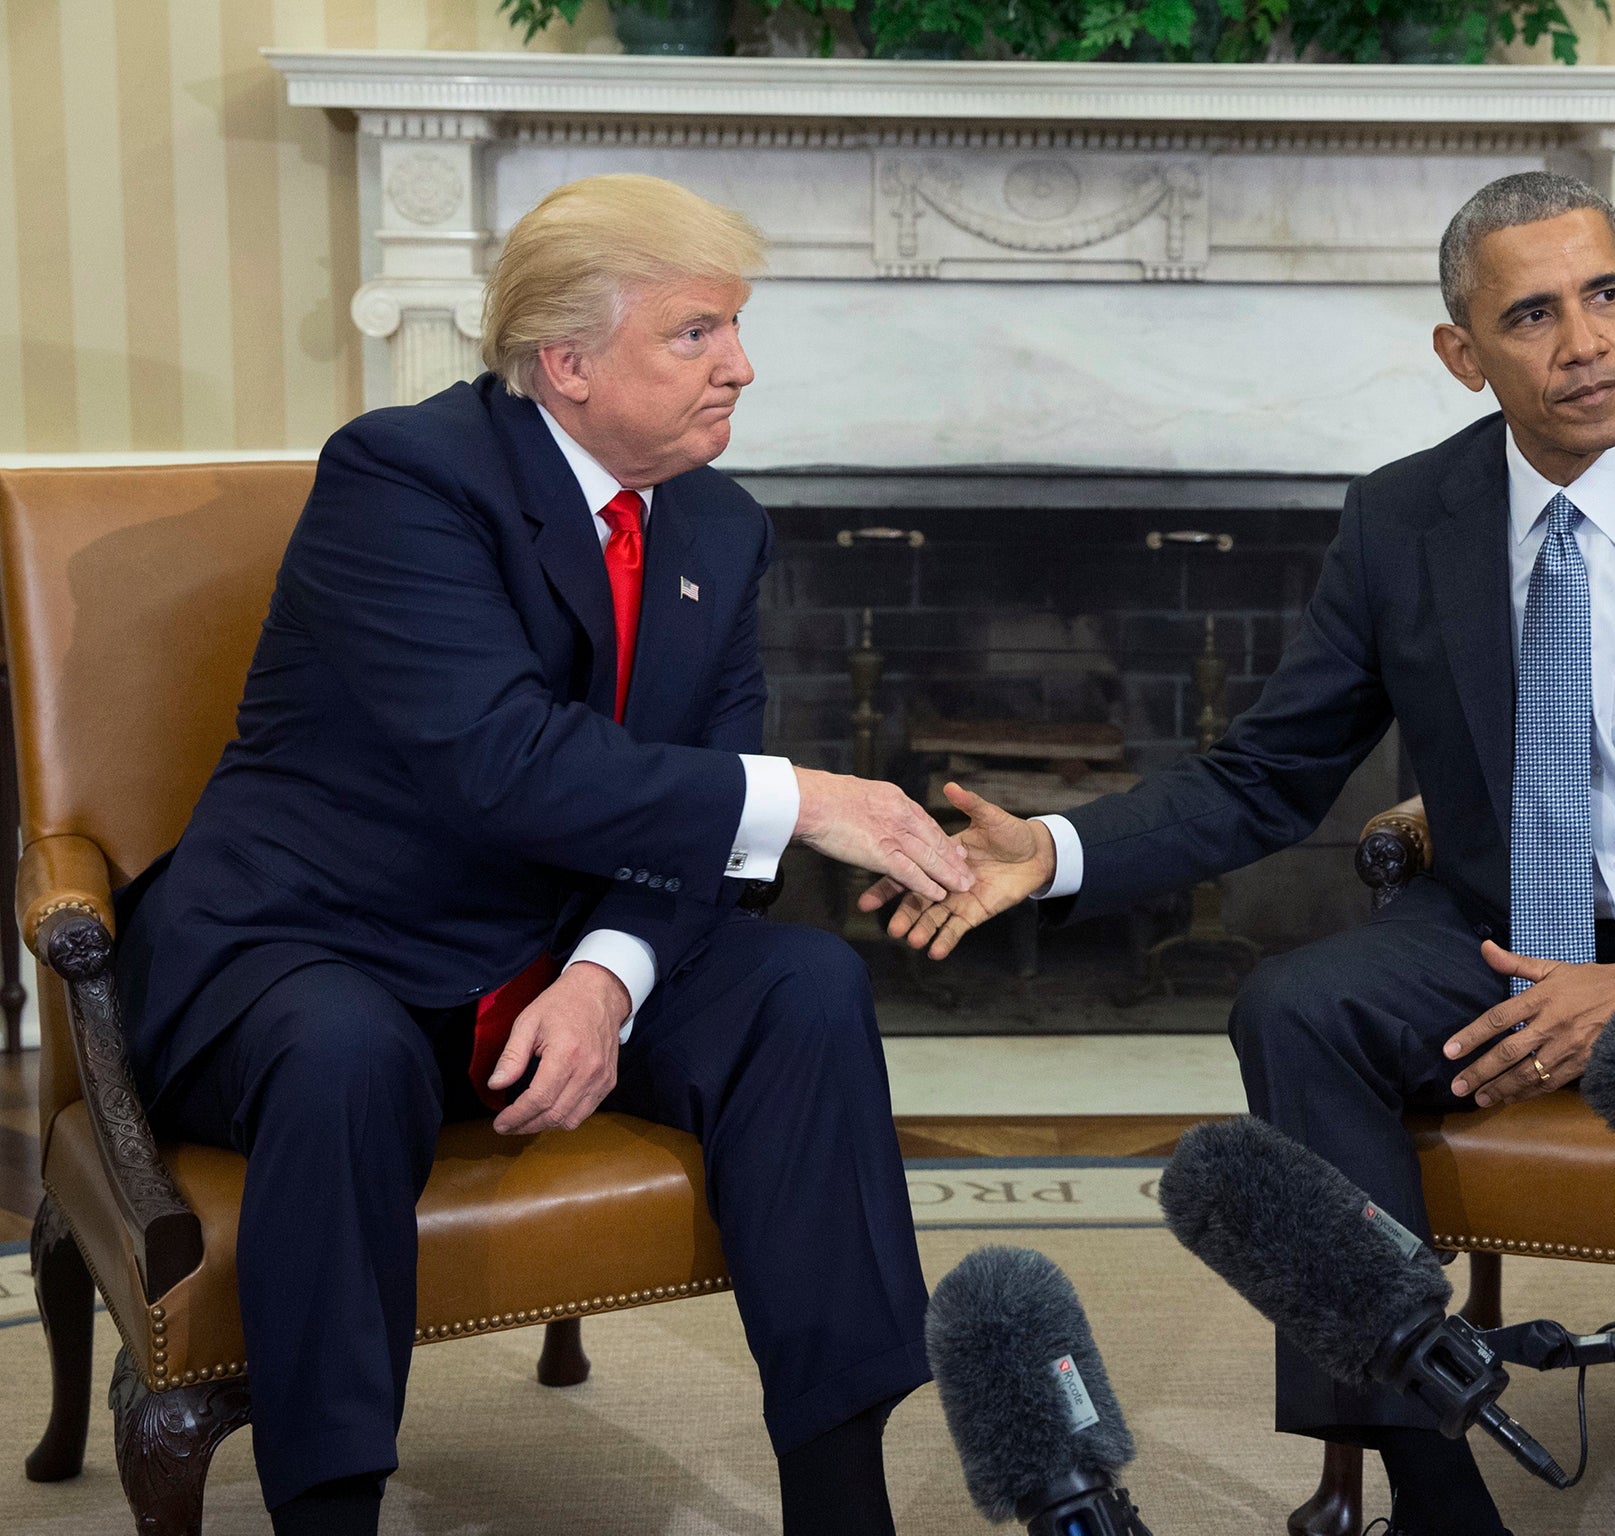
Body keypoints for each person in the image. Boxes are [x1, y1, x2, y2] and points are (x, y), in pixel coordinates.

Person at [867, 171, 1615, 1536]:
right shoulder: (1403, 523)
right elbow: (1267, 773)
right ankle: (1429, 1474)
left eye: (1604, 296)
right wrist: (1050, 850)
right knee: (1294, 1007)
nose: (1585, 342)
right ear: (1462, 355)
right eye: (1532, 315)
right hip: (1496, 933)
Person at [112, 173, 972, 1536]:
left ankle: (840, 1497)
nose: (739, 365)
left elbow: (691, 807)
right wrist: (801, 797)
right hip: (322, 939)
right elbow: (502, 760)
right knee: (346, 1057)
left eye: (736, 329)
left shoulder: (719, 525)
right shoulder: (403, 477)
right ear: (566, 365)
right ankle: (328, 1510)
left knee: (804, 992)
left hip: (545, 945)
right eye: (697, 333)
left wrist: (608, 977)